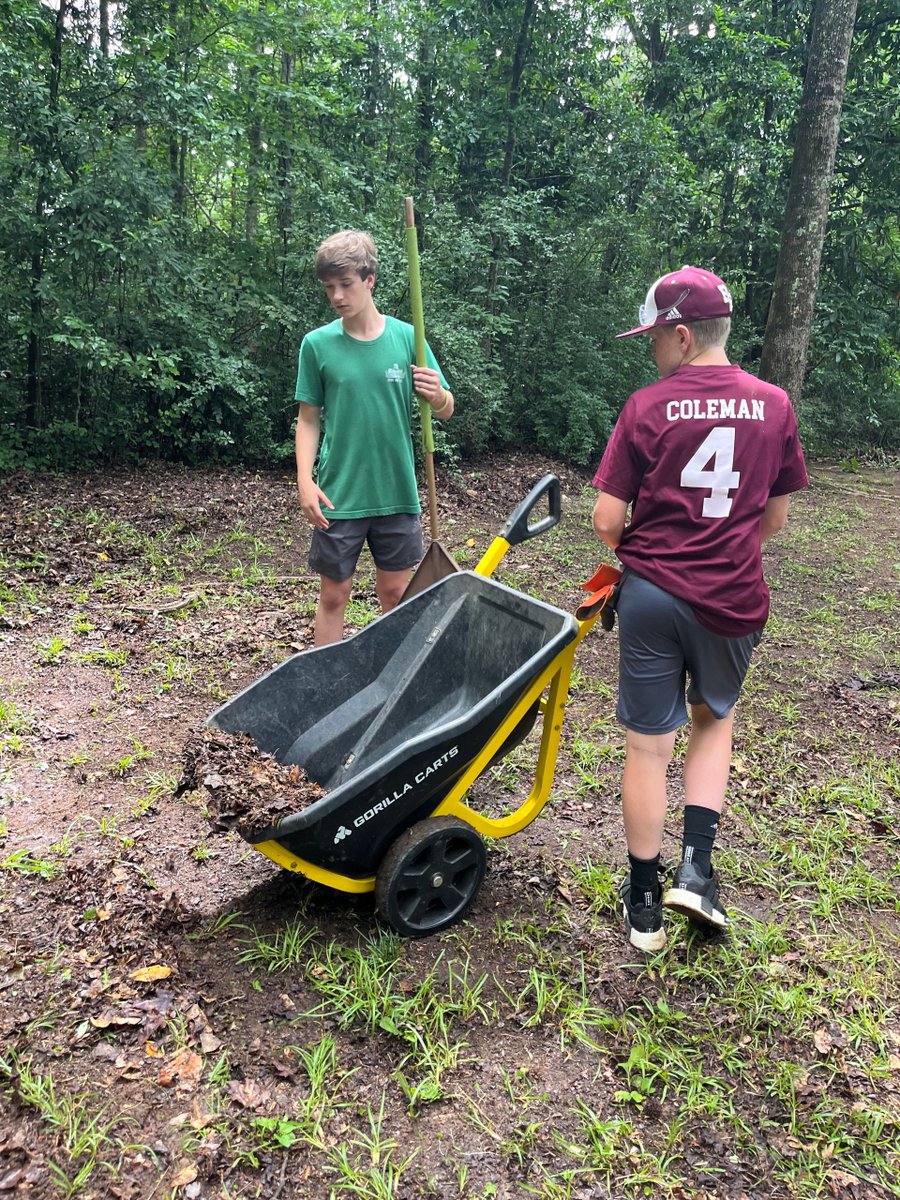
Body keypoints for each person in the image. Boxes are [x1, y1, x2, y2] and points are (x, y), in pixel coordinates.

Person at [591, 266, 808, 952]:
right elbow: (773, 517)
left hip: (652, 595)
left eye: (654, 336)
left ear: (683, 336)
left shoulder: (646, 407)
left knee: (647, 746)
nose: (650, 350)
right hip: (732, 598)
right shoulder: (774, 404)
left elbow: (605, 519)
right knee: (713, 720)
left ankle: (645, 905)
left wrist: (647, 547)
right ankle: (695, 869)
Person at [295, 230, 454, 646]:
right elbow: (308, 419)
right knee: (334, 594)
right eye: (329, 286)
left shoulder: (408, 338)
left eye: (345, 284)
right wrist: (305, 481)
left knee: (396, 594)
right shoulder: (317, 345)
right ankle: (326, 686)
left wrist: (436, 395)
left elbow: (446, 407)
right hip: (339, 494)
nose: (337, 296)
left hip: (396, 491)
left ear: (370, 280)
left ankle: (394, 682)